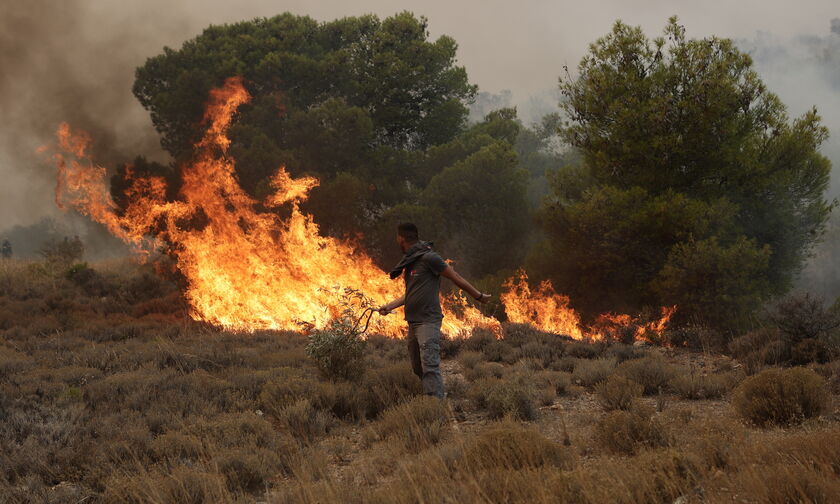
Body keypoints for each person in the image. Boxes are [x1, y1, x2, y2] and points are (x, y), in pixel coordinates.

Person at [378, 223, 491, 398]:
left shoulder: (429, 258)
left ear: (401, 238)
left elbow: (456, 277)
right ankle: (433, 394)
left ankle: (435, 406)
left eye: (396, 237)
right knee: (417, 367)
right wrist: (389, 306)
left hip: (428, 321)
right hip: (413, 321)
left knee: (429, 365)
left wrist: (478, 296)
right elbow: (410, 293)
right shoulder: (411, 262)